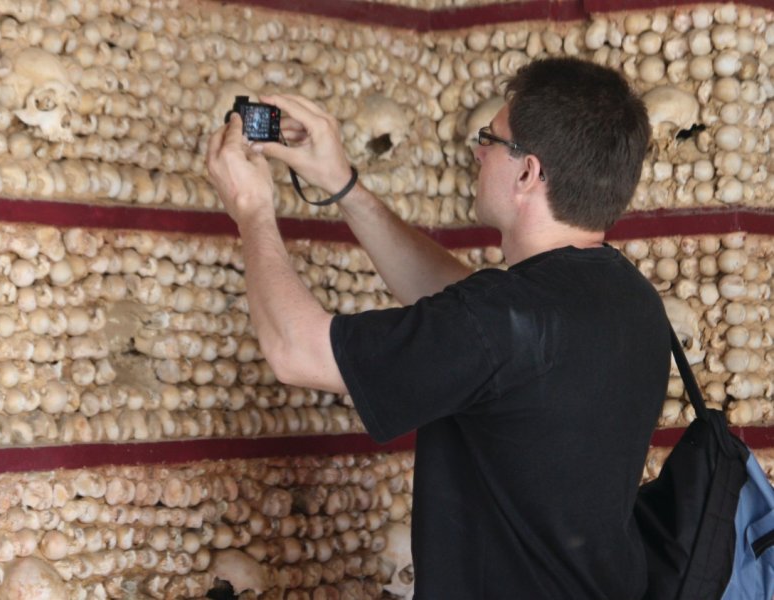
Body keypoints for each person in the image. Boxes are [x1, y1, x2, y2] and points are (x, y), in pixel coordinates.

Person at [206, 57, 668, 599]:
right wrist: (343, 185)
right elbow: (457, 309)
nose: (476, 152)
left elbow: (296, 351)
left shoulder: (501, 320)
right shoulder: (628, 299)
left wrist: (253, 210)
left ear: (528, 173)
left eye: (489, 140)